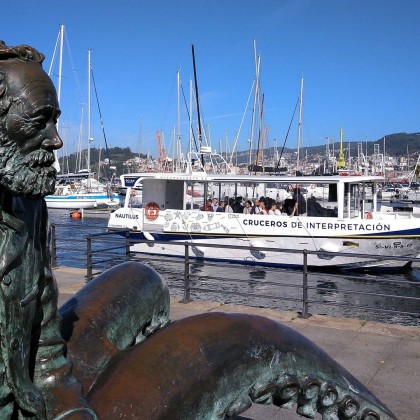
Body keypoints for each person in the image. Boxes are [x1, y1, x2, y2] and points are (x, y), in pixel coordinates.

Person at [0, 41, 96, 418]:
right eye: (39, 120)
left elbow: (46, 347)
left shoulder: (28, 205)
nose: (56, 140)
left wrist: (68, 409)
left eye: (55, 120)